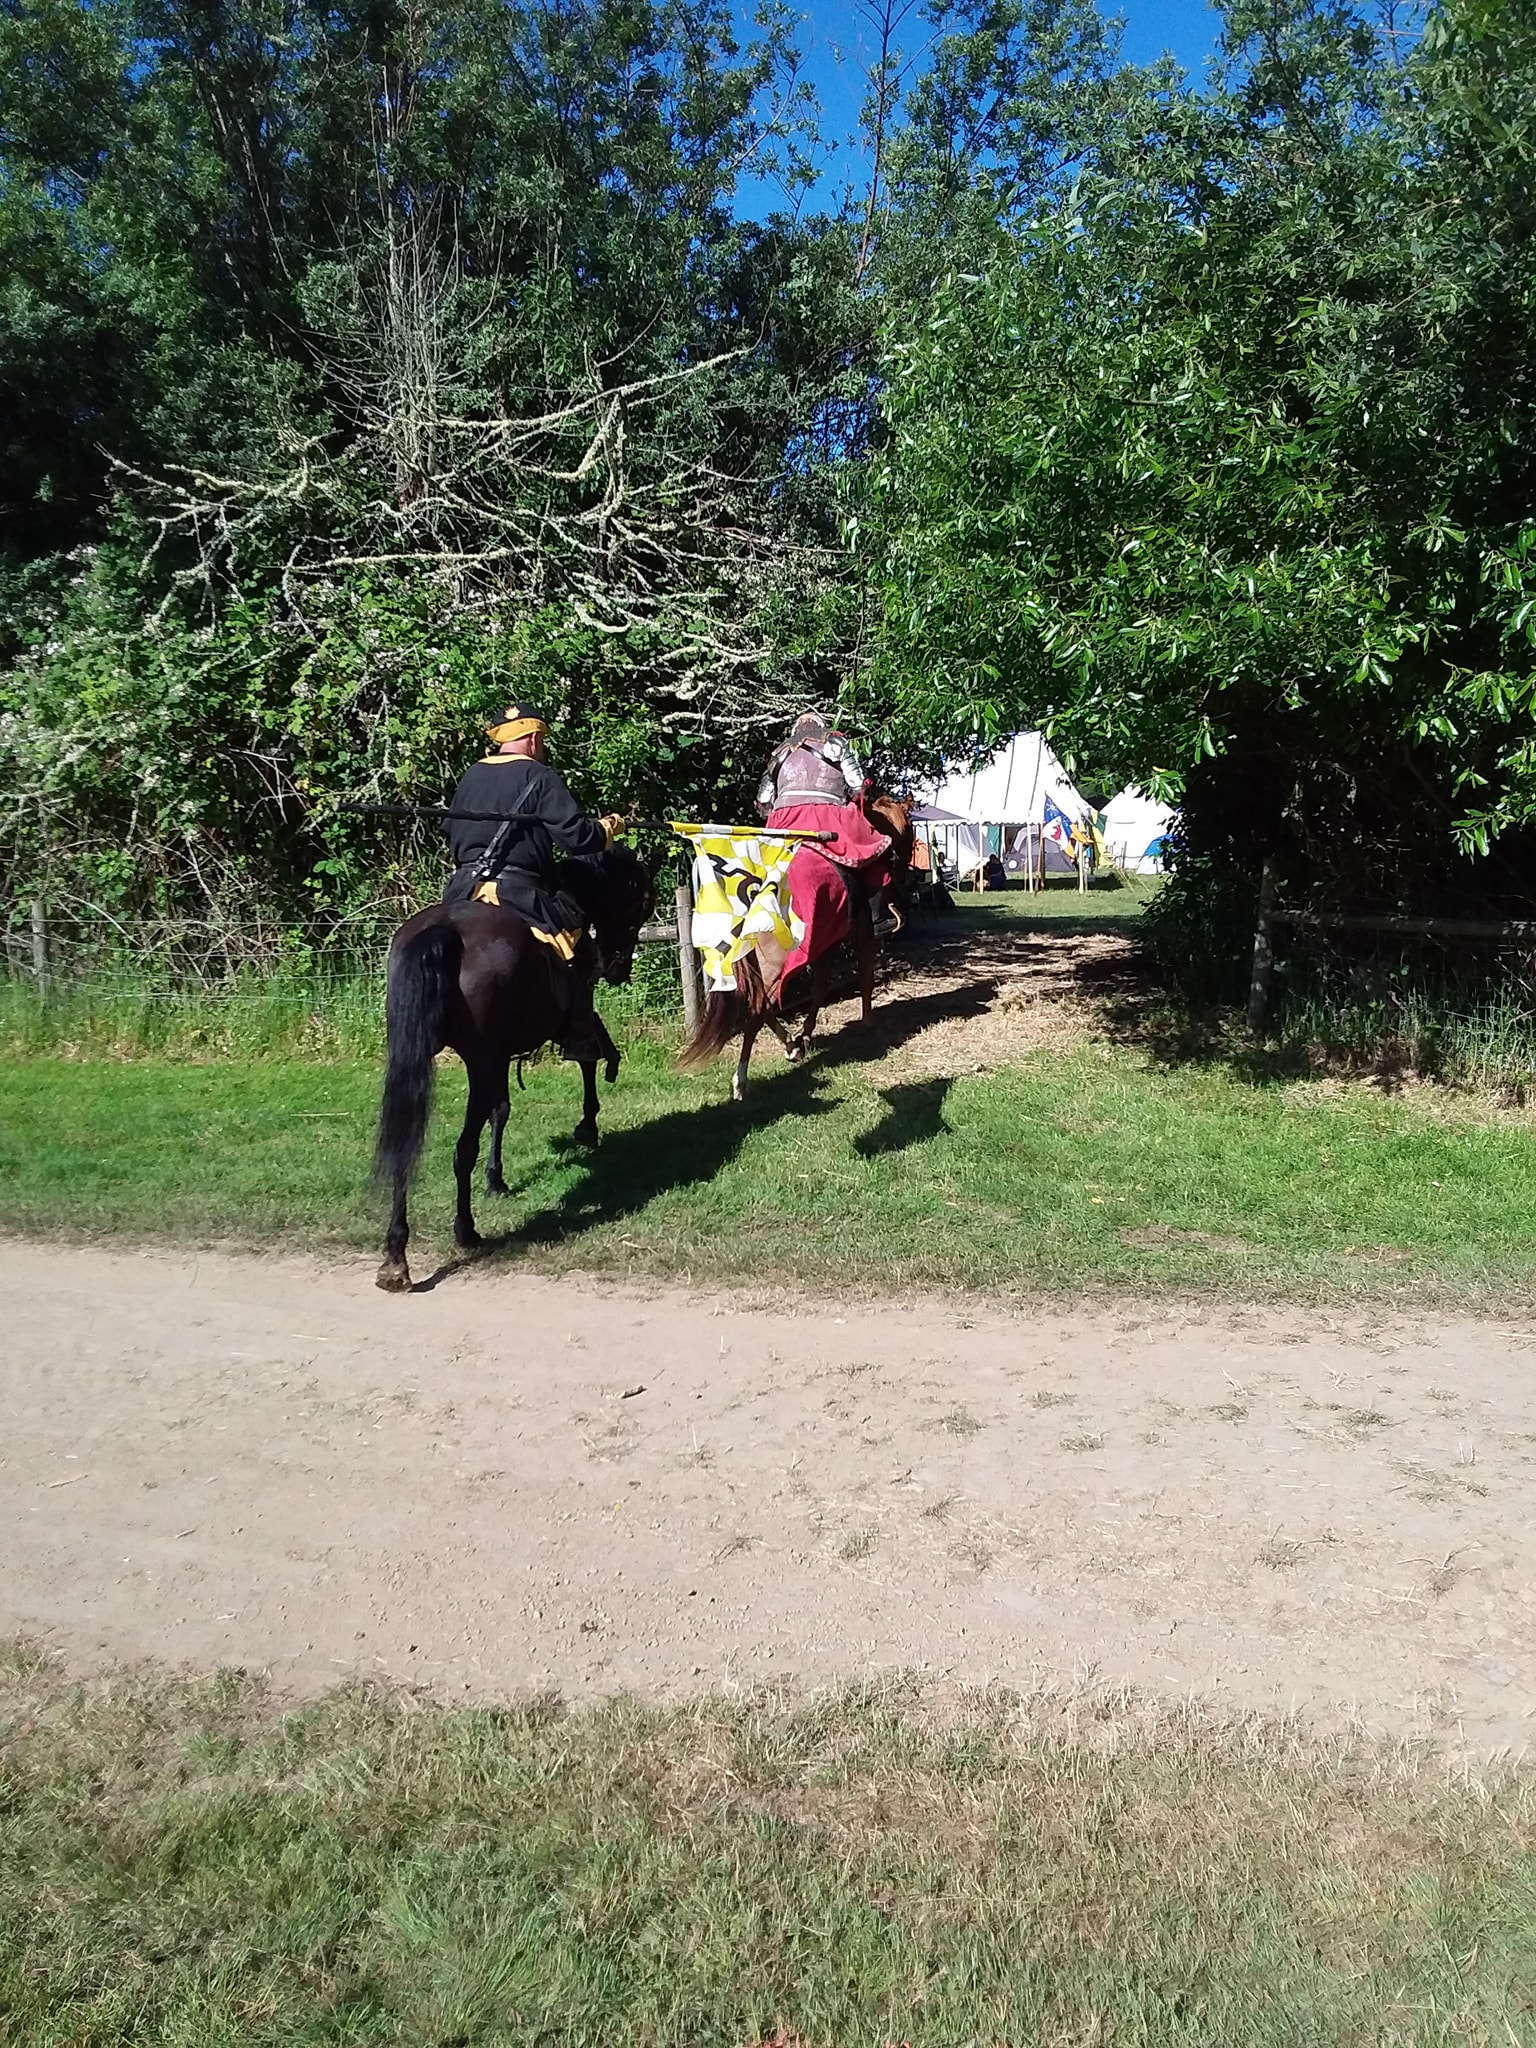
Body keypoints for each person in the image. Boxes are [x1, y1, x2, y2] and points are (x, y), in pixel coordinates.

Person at [442, 701, 624, 1060]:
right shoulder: (540, 777)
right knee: (575, 939)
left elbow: (450, 832)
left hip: (463, 889)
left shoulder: (471, 776)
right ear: (533, 739)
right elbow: (576, 838)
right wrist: (607, 828)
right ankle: (578, 1033)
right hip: (520, 891)